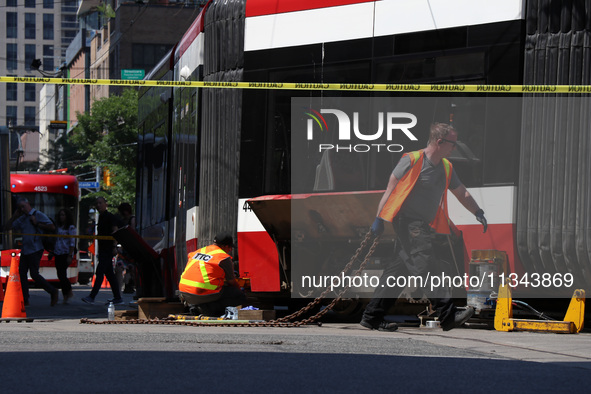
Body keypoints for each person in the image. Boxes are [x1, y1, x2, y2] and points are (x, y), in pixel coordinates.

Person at [360, 122, 488, 332]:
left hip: (422, 225)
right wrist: (379, 219)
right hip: (408, 222)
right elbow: (390, 190)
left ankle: (372, 316)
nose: (454, 147)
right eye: (452, 143)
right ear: (439, 142)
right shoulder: (412, 160)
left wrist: (477, 211)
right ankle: (447, 315)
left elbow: (461, 192)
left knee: (397, 273)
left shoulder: (446, 166)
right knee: (426, 264)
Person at [3, 197, 59, 306]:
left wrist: (37, 223)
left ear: (28, 204)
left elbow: (52, 227)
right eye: (20, 207)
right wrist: (15, 216)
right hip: (25, 250)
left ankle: (52, 291)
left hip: (36, 248)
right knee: (22, 274)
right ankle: (25, 298)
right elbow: (7, 227)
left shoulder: (38, 215)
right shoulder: (22, 218)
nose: (22, 209)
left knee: (34, 274)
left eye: (23, 206)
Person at [179, 232, 246, 316]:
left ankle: (195, 305)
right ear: (224, 246)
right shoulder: (223, 257)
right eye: (230, 247)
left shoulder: (198, 251)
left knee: (220, 290)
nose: (230, 250)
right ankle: (207, 309)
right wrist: (240, 290)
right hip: (200, 293)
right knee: (239, 295)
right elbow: (231, 282)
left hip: (184, 292)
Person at [82, 197, 123, 305]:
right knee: (109, 274)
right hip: (103, 249)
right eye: (97, 203)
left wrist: (114, 247)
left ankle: (92, 296)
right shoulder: (100, 217)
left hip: (108, 249)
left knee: (100, 272)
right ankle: (117, 297)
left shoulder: (110, 217)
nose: (98, 205)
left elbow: (115, 231)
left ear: (106, 204)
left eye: (100, 203)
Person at [53, 208, 77, 304]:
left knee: (62, 274)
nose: (61, 217)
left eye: (63, 215)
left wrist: (70, 255)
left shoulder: (71, 228)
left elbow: (72, 242)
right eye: (60, 215)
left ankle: (69, 291)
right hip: (57, 252)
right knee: (60, 274)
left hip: (65, 253)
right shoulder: (58, 227)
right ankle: (65, 295)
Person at [115, 202, 137, 294]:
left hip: (130, 248)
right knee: (119, 267)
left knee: (130, 268)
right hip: (123, 249)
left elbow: (132, 234)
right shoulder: (122, 221)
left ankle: (129, 285)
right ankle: (119, 288)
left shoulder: (132, 219)